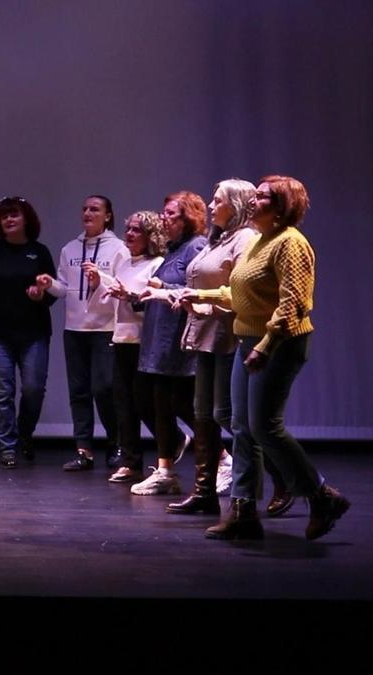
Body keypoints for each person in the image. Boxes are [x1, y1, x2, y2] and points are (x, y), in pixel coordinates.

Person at [189, 176, 348, 540]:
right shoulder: (258, 241)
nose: (253, 201)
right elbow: (241, 293)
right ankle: (243, 510)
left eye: (262, 196)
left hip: (279, 343)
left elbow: (295, 303)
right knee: (240, 425)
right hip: (248, 339)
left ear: (281, 206)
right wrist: (200, 295)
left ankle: (322, 495)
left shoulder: (291, 243)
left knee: (264, 426)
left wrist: (266, 344)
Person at [164, 180, 258, 514]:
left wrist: (203, 300)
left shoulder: (245, 239)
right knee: (203, 414)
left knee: (227, 415)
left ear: (237, 205)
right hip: (206, 333)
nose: (210, 205)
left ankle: (279, 478)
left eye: (218, 200)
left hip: (229, 335)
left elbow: (242, 291)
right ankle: (204, 491)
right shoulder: (218, 238)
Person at [36, 195, 128, 471]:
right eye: (85, 209)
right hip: (74, 329)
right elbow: (64, 288)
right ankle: (83, 449)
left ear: (107, 216)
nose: (88, 213)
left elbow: (123, 286)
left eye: (95, 209)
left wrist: (100, 281)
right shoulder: (70, 249)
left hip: (104, 328)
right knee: (78, 391)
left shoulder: (118, 249)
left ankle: (116, 443)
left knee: (104, 388)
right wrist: (49, 284)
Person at [128, 192, 208, 496]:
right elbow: (158, 294)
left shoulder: (195, 247)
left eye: (171, 213)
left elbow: (198, 289)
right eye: (164, 212)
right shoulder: (172, 250)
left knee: (181, 404)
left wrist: (163, 286)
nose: (164, 218)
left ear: (187, 218)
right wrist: (133, 296)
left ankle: (221, 461)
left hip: (177, 340)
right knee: (160, 404)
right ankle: (165, 471)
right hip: (158, 340)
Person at [0, 197, 57, 468]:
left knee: (33, 389)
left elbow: (52, 293)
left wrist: (40, 294)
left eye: (14, 215)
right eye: (4, 216)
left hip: (34, 332)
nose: (8, 219)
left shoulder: (39, 252)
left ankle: (24, 433)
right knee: (3, 392)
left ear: (26, 219)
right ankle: (7, 447)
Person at [101, 211, 165, 484]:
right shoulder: (125, 264)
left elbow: (155, 305)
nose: (129, 234)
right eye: (128, 229)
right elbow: (118, 301)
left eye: (136, 230)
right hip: (122, 340)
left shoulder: (157, 264)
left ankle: (171, 446)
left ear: (150, 235)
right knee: (123, 405)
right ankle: (130, 463)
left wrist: (130, 297)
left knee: (144, 404)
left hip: (143, 343)